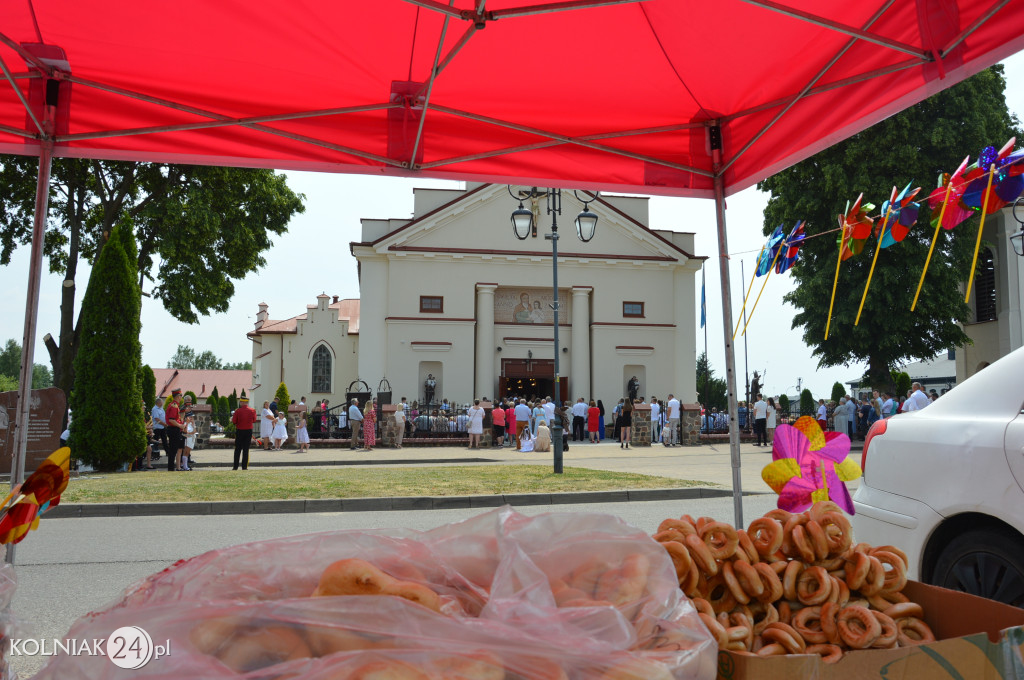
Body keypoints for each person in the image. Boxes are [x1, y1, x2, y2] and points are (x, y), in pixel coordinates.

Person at [231, 396, 257, 470]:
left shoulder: (237, 411)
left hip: (239, 431)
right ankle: (244, 467)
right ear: (247, 402)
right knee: (246, 449)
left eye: (240, 402)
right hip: (248, 431)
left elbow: (234, 421)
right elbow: (254, 420)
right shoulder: (252, 410)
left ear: (242, 402)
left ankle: (235, 467)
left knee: (237, 449)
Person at [165, 389, 183, 472]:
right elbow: (171, 419)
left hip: (173, 429)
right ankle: (171, 468)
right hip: (173, 429)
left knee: (173, 449)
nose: (181, 397)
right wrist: (180, 425)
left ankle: (171, 468)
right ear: (178, 396)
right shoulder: (174, 406)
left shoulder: (173, 405)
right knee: (173, 450)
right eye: (180, 396)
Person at [180, 397, 196, 470]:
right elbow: (183, 423)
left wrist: (194, 426)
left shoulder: (190, 412)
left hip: (191, 430)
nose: (189, 408)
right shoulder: (182, 410)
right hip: (186, 431)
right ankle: (183, 465)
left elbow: (193, 421)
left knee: (188, 449)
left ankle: (186, 464)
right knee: (185, 450)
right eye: (188, 401)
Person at [151, 397, 168, 461]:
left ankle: (167, 452)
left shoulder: (161, 408)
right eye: (162, 402)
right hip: (157, 427)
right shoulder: (155, 409)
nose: (163, 403)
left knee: (164, 440)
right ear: (159, 402)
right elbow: (157, 419)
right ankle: (155, 453)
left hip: (162, 427)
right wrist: (164, 424)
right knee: (156, 441)